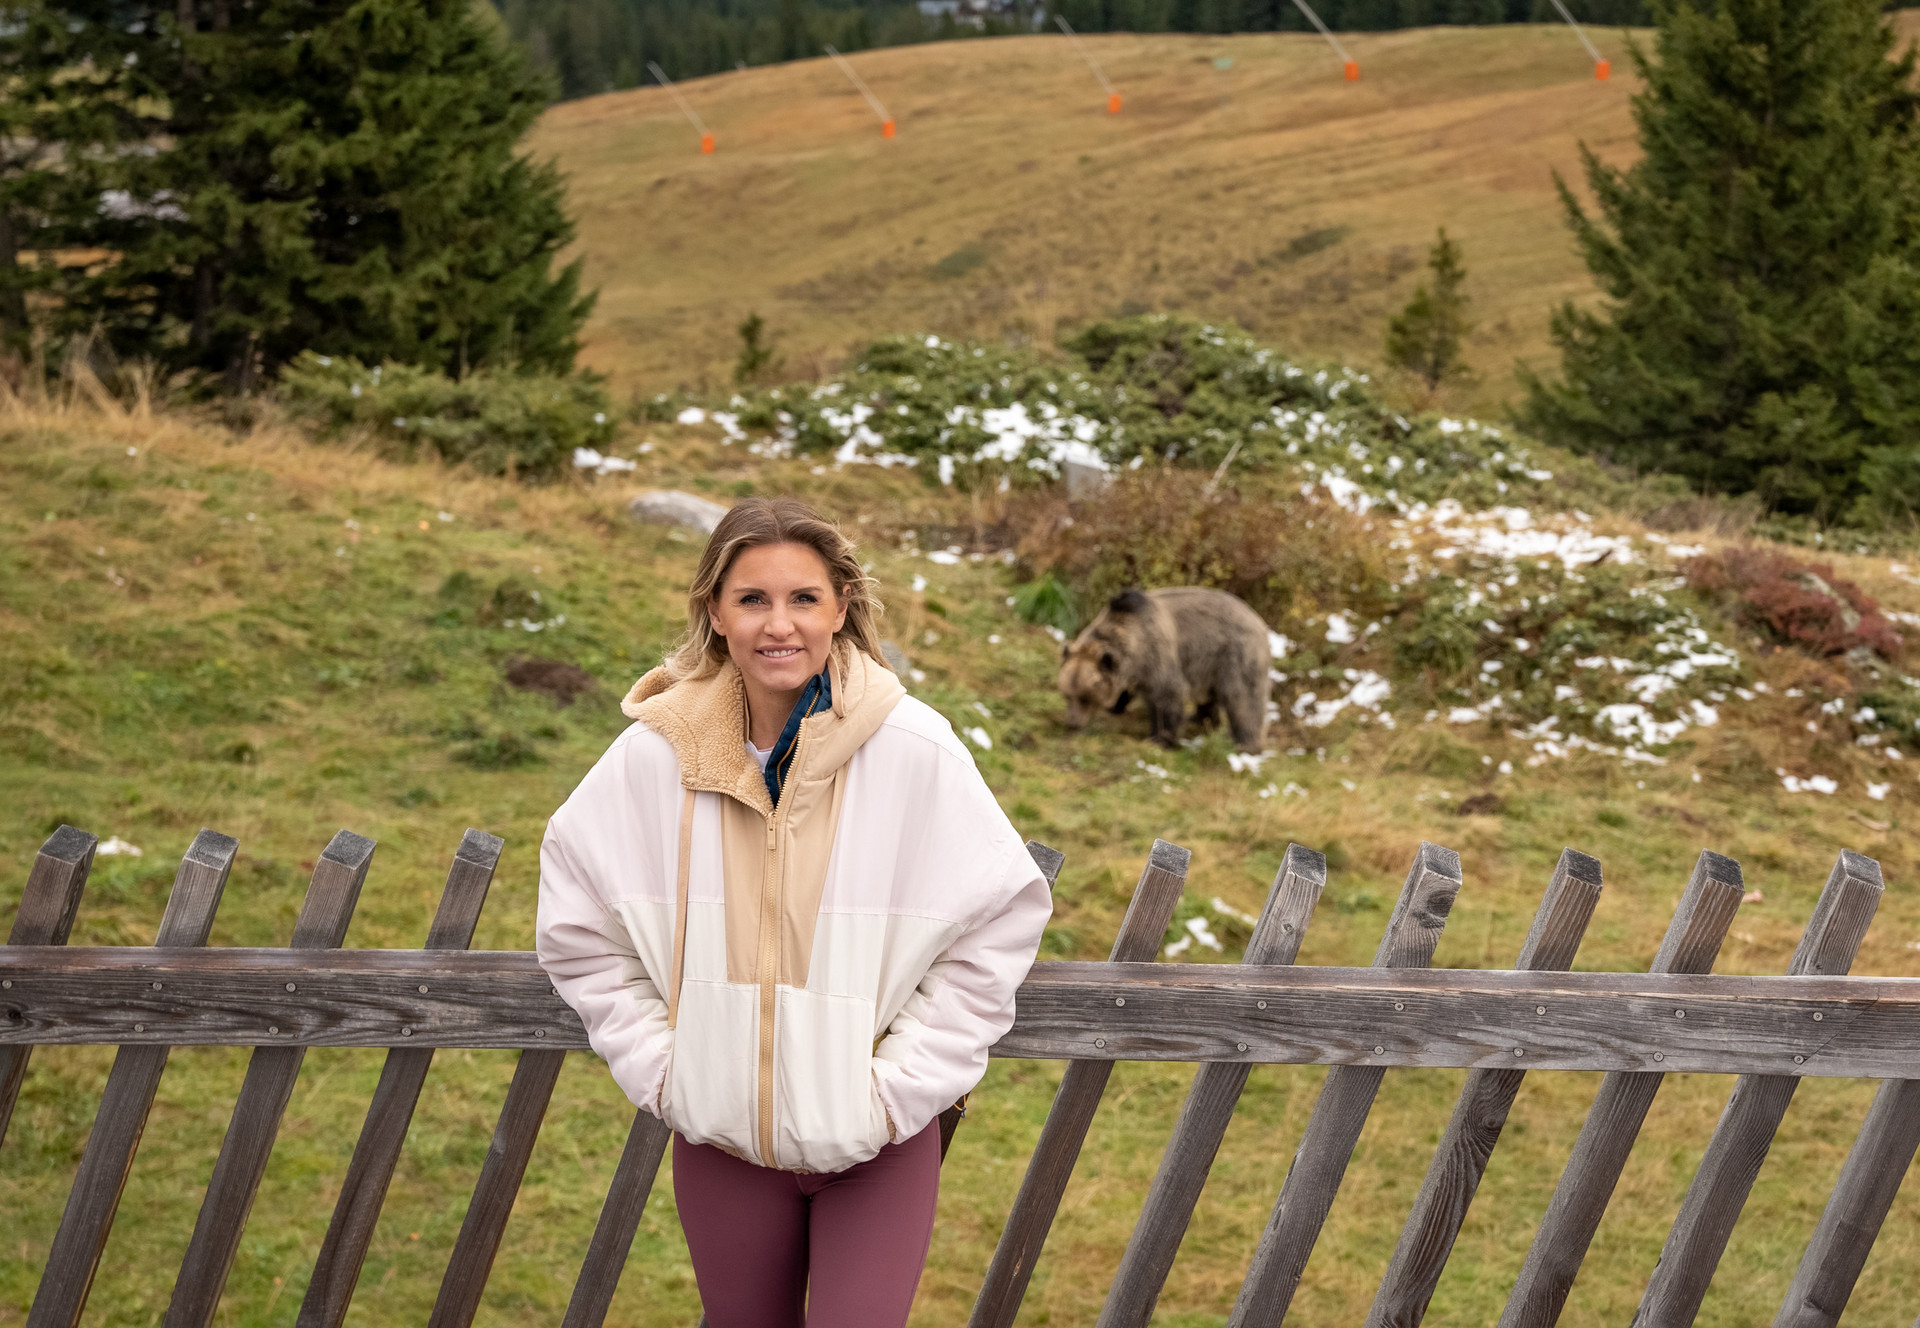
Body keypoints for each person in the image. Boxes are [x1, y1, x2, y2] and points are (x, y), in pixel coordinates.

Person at [536, 496, 1052, 1328]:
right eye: (753, 599)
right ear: (716, 612)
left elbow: (1000, 918)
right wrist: (669, 1071)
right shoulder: (651, 760)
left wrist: (895, 1093)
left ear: (842, 607)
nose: (780, 625)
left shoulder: (915, 752)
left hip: (878, 1151)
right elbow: (576, 925)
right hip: (724, 1148)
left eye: (804, 598)